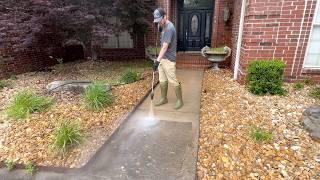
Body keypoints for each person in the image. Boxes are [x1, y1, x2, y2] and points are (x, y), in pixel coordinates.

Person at [153, 8, 183, 110]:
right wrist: (159, 27)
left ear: (165, 16)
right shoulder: (162, 25)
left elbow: (165, 46)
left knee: (173, 80)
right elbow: (160, 29)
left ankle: (180, 100)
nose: (159, 23)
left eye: (159, 20)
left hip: (169, 58)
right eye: (157, 21)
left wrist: (157, 61)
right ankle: (163, 98)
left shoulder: (170, 28)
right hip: (162, 58)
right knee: (162, 79)